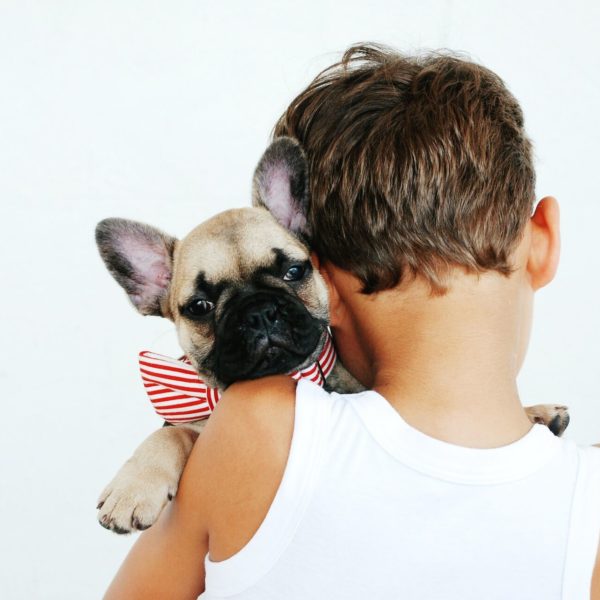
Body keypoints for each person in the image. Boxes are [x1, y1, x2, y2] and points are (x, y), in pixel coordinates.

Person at [104, 44, 600, 599]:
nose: (258, 316)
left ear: (323, 276)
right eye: (202, 307)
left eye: (287, 274)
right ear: (545, 244)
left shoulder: (256, 427)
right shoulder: (590, 504)